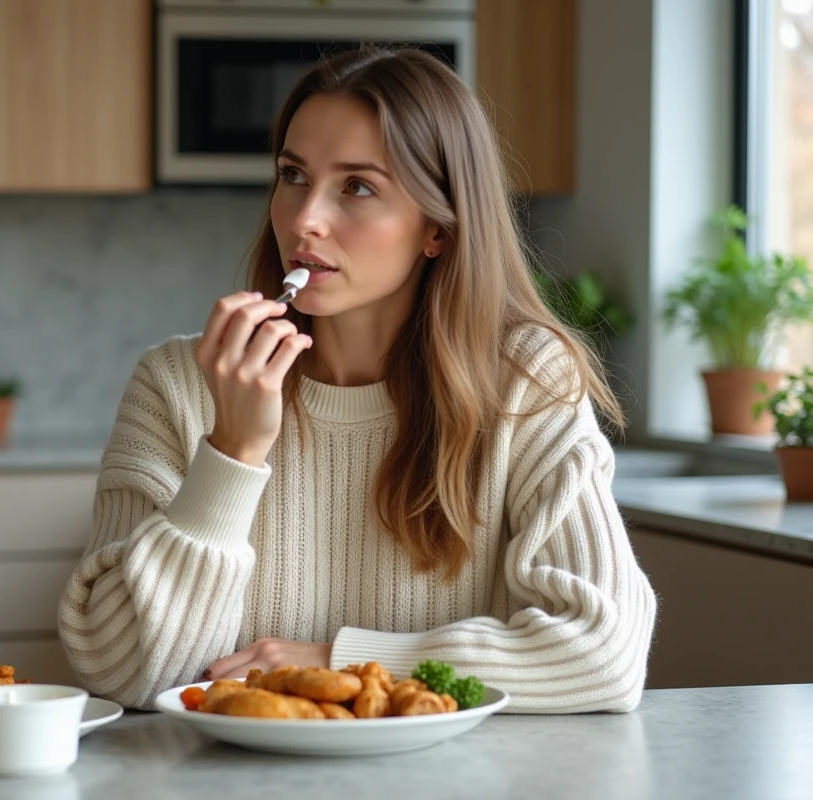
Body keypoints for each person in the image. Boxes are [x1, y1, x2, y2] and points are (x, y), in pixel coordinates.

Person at [58, 46, 657, 713]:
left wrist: (341, 661)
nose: (305, 218)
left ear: (436, 227)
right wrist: (231, 453)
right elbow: (119, 671)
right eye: (292, 175)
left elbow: (604, 655)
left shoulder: (525, 384)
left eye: (357, 186)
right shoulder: (177, 384)